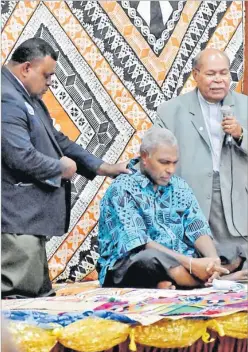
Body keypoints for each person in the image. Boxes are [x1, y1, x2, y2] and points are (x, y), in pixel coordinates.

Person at [1, 37, 131, 299]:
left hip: (26, 221)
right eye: (46, 75)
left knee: (36, 296)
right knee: (19, 301)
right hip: (15, 219)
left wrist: (102, 167)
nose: (50, 82)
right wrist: (59, 168)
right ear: (26, 68)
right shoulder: (6, 98)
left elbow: (56, 139)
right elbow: (18, 156)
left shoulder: (25, 95)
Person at [154, 48, 248, 281]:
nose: (219, 80)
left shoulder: (245, 106)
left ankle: (236, 274)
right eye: (211, 73)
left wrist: (241, 135)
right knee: (197, 260)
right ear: (195, 74)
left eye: (224, 73)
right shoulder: (171, 110)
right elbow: (154, 151)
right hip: (192, 196)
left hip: (237, 197)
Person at [97, 128, 229, 289]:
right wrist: (191, 263)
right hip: (131, 264)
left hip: (179, 258)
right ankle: (198, 280)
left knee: (232, 249)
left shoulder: (179, 186)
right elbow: (142, 244)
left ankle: (186, 279)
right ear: (145, 157)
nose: (171, 170)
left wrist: (213, 261)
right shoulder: (122, 188)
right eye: (164, 162)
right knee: (149, 259)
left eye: (174, 163)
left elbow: (197, 227)